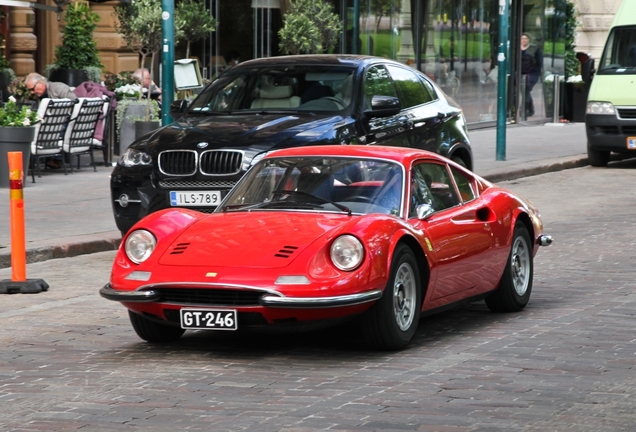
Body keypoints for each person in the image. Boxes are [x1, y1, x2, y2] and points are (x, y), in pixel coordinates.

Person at [520, 32, 543, 117]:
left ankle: (524, 108)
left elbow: (540, 62)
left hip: (532, 73)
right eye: (522, 39)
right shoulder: (516, 49)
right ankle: (530, 109)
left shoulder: (535, 49)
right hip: (520, 73)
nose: (524, 40)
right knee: (524, 91)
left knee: (526, 89)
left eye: (526, 38)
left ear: (529, 40)